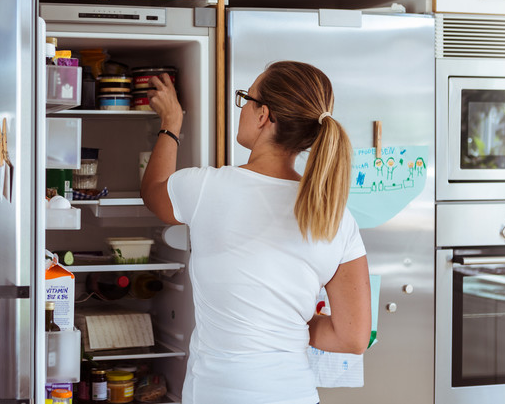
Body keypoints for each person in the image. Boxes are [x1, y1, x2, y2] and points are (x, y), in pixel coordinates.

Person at [140, 61, 371, 404]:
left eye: (245, 98)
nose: (242, 108)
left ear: (263, 114)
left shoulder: (208, 188)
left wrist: (171, 123)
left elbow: (154, 190)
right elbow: (353, 338)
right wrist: (286, 324)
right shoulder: (336, 217)